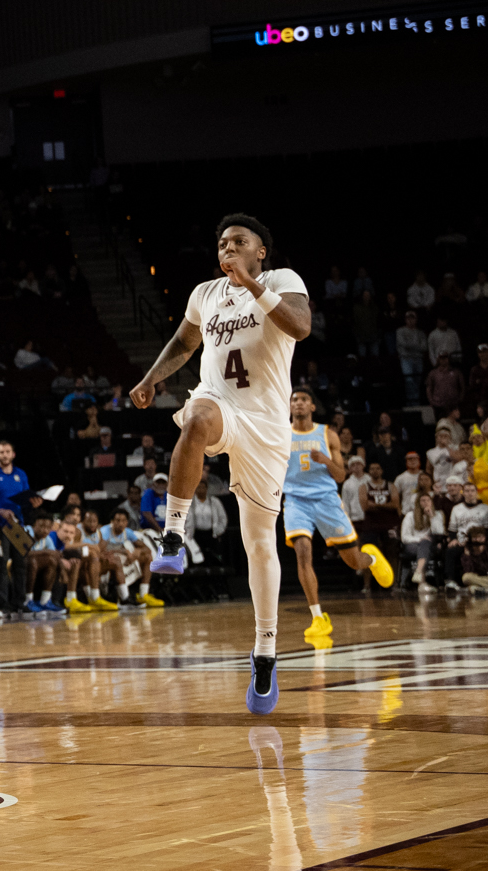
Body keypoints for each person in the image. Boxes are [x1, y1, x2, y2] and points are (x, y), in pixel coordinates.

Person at [133, 214, 307, 715]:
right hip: (221, 404)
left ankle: (266, 652)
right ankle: (172, 536)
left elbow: (301, 326)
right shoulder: (204, 294)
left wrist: (252, 286)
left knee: (259, 543)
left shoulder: (280, 281)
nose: (228, 248)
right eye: (223, 242)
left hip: (267, 426)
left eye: (240, 242)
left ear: (261, 252)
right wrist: (151, 379)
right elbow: (185, 343)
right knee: (196, 418)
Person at [281, 388, 392, 640]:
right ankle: (318, 617)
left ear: (312, 407)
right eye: (294, 400)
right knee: (302, 552)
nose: (298, 403)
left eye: (303, 400)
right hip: (296, 501)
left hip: (326, 500)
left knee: (353, 561)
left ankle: (371, 560)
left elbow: (341, 476)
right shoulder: (281, 433)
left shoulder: (327, 434)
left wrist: (325, 460)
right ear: (289, 406)